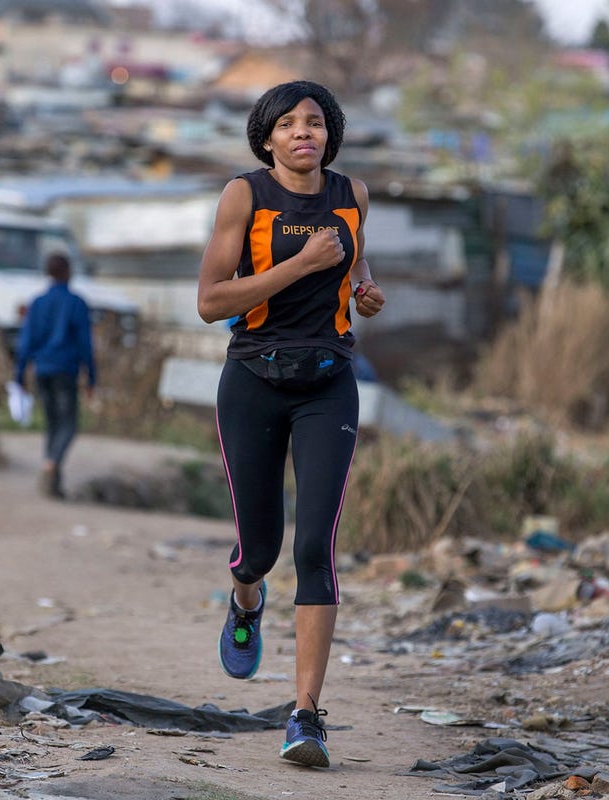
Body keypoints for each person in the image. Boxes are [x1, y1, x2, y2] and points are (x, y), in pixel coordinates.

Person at [196, 80, 385, 769]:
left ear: (329, 136)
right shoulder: (244, 196)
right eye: (290, 124)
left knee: (317, 548)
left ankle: (304, 715)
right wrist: (299, 265)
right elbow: (211, 301)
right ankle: (246, 600)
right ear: (268, 138)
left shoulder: (352, 196)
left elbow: (355, 257)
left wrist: (364, 289)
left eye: (316, 123)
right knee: (259, 548)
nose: (305, 132)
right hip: (252, 382)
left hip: (329, 384)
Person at [14, 251, 96, 499]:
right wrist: (91, 377)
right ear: (68, 272)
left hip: (41, 371)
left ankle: (54, 486)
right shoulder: (76, 303)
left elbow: (25, 342)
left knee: (52, 425)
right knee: (68, 426)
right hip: (65, 371)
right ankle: (51, 464)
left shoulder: (37, 303)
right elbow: (85, 345)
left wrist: (19, 375)